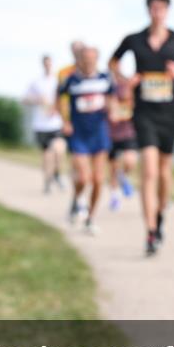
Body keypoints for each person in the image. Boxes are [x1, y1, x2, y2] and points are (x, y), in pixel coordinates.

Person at [110, 0, 174, 255]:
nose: (157, 12)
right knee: (149, 171)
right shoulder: (134, 40)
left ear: (167, 11)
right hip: (144, 113)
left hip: (170, 114)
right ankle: (150, 231)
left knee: (164, 173)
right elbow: (113, 62)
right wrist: (125, 79)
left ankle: (161, 214)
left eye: (162, 8)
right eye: (153, 8)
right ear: (148, 10)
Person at [59, 46, 117, 235]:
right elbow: (60, 97)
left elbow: (112, 98)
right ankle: (76, 199)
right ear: (80, 60)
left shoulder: (104, 79)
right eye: (85, 59)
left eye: (92, 59)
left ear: (97, 60)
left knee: (99, 180)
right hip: (79, 134)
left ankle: (90, 218)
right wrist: (65, 120)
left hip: (99, 133)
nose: (88, 62)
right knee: (84, 177)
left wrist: (112, 109)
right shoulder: (72, 80)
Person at [23, 55, 67, 193]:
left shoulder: (58, 81)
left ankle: (57, 173)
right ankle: (47, 181)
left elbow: (65, 99)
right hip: (41, 125)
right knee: (47, 155)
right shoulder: (36, 82)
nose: (48, 66)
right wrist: (36, 100)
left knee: (59, 151)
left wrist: (57, 108)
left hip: (56, 123)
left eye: (50, 63)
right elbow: (25, 99)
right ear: (43, 65)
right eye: (45, 64)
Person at [107, 74, 138, 211]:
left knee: (130, 161)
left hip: (128, 134)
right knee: (113, 168)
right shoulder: (111, 91)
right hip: (112, 135)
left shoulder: (134, 93)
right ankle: (114, 197)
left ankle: (124, 176)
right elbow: (111, 114)